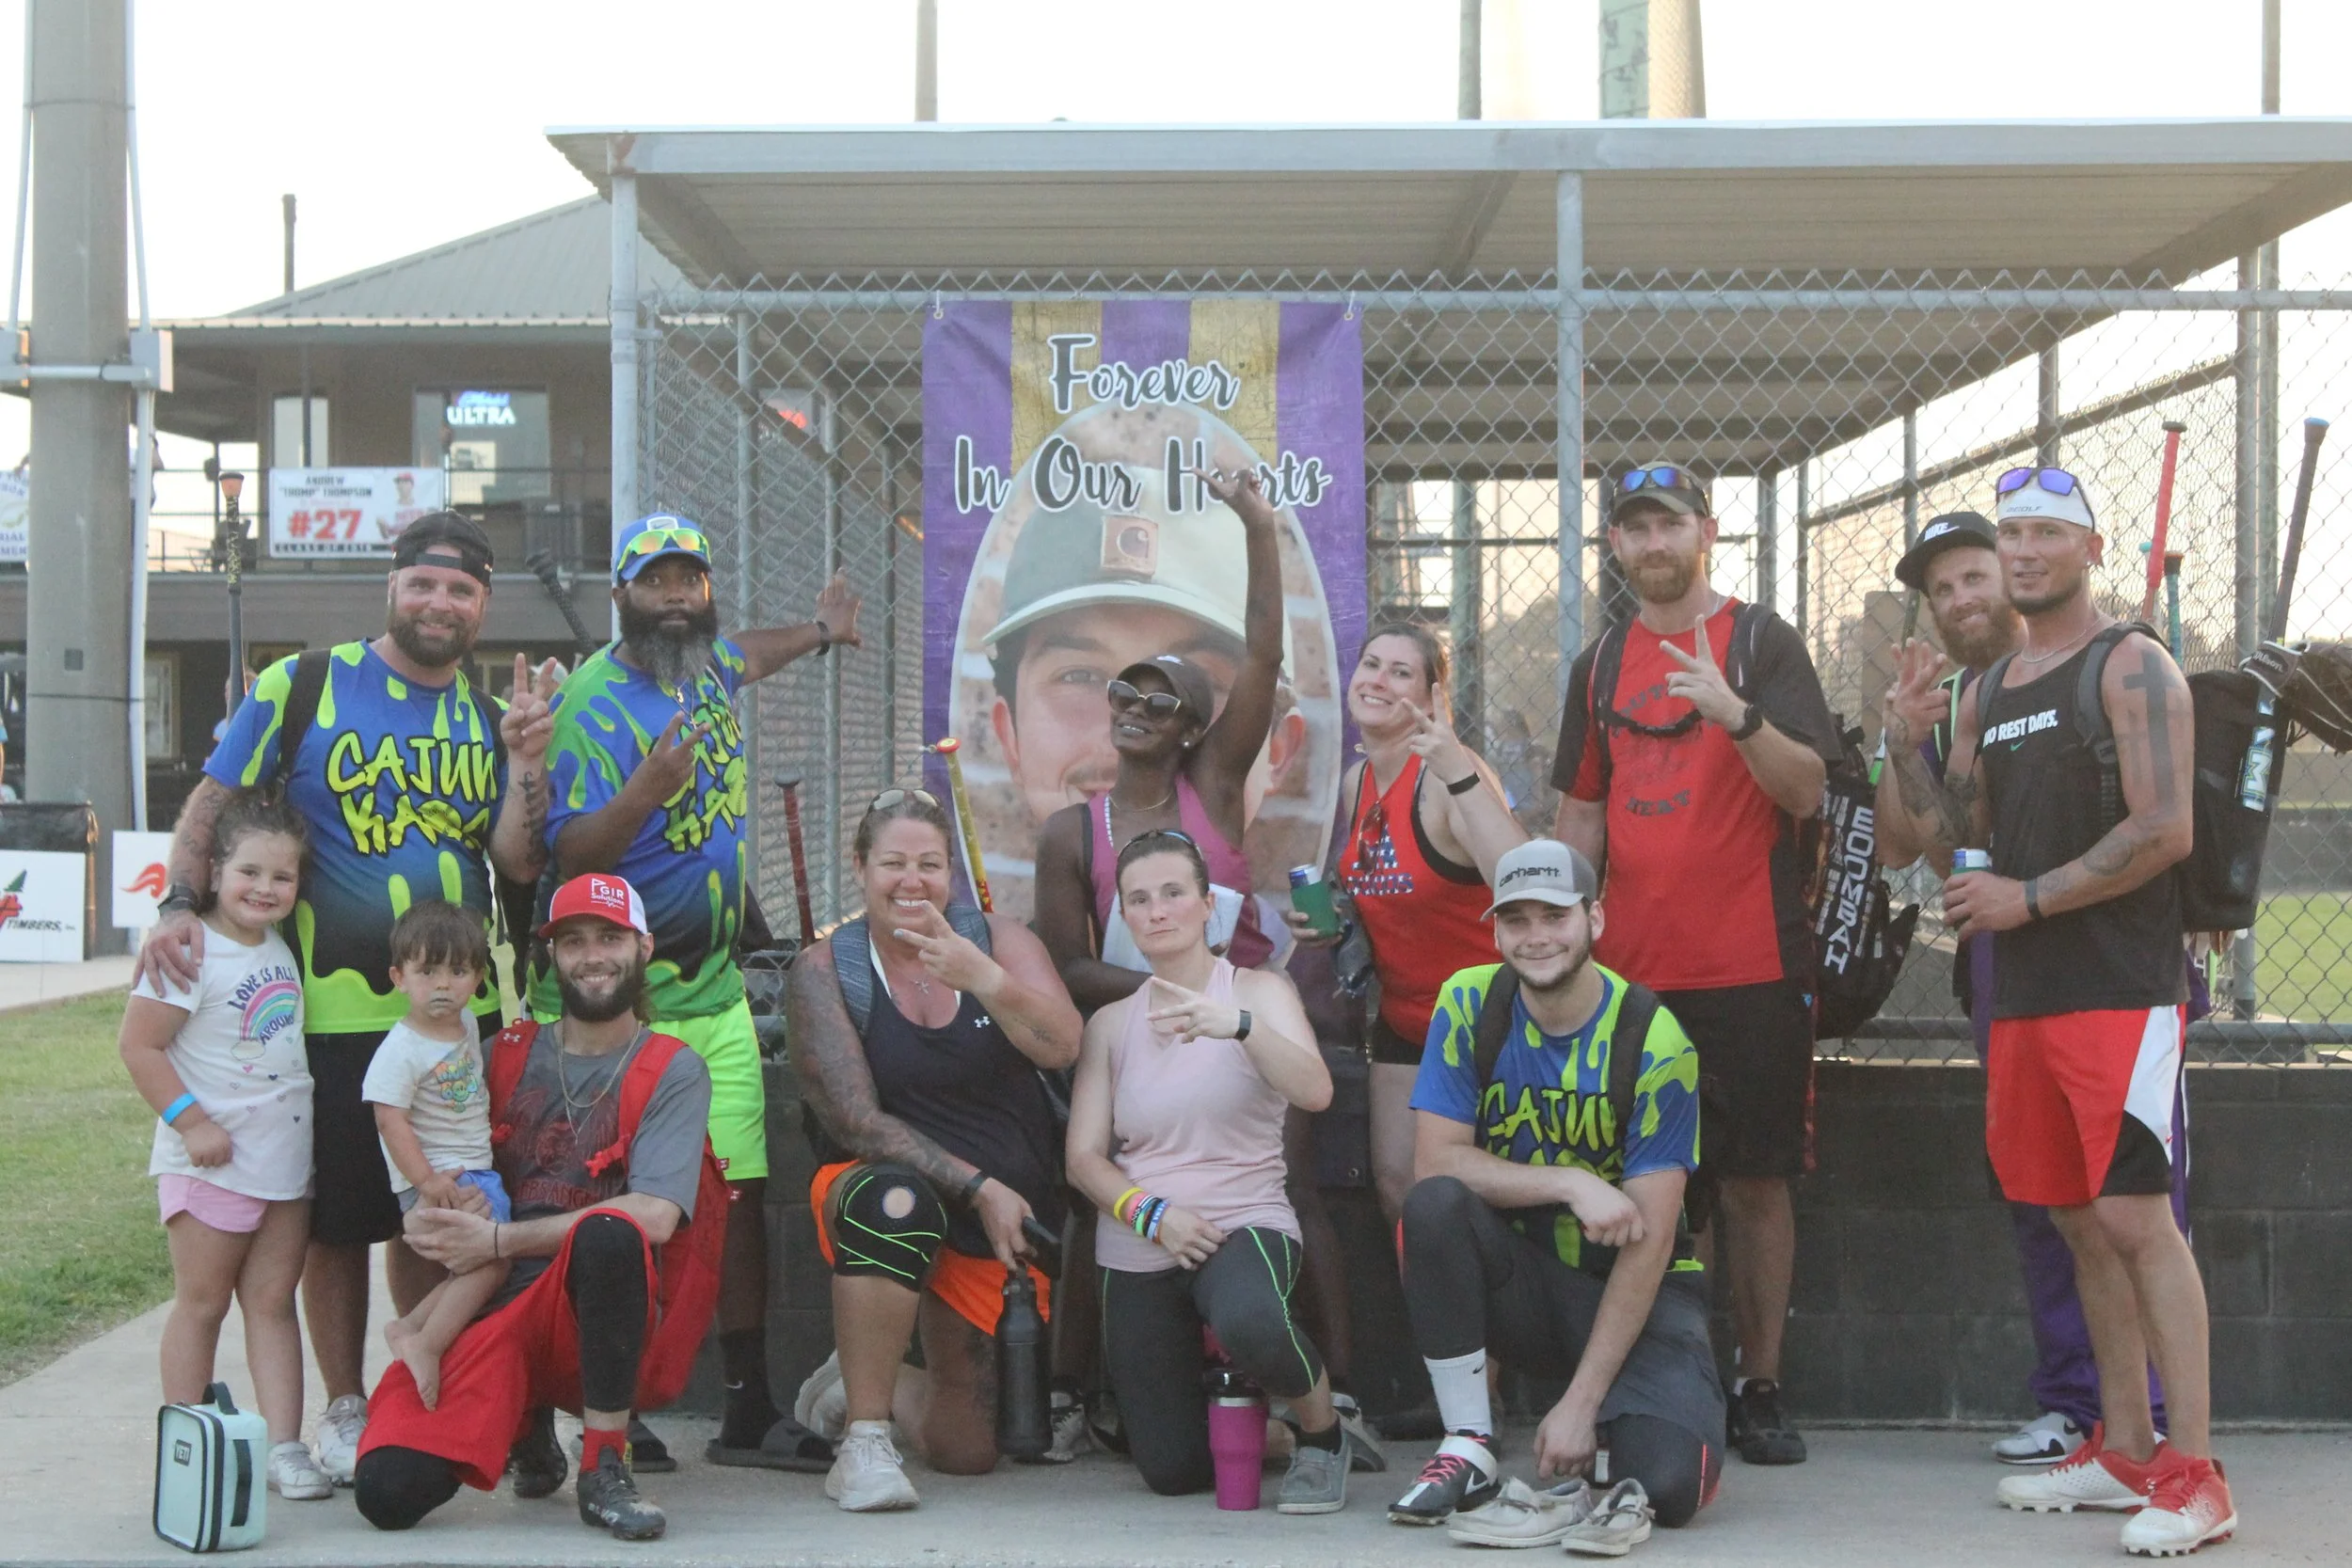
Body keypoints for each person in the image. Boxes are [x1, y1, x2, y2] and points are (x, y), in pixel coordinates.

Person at [135, 511, 559, 1481]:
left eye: (460, 590)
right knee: (338, 1222)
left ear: (483, 606)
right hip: (332, 1015)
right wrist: (177, 901)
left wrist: (526, 761)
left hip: (454, 1014)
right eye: (423, 583)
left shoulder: (487, 718)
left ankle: (427, 1392)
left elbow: (515, 859)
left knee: (439, 1206)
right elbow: (212, 798)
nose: (439, 603)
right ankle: (340, 1403)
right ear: (392, 586)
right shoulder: (305, 683)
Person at [1879, 471, 2233, 1556]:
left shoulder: (2131, 662)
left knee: (2137, 1221)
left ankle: (2196, 1471)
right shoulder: (1988, 690)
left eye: (2046, 532)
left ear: (2090, 542)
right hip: (2022, 993)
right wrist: (1903, 738)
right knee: (2076, 1219)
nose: (2024, 550)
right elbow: (1956, 849)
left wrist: (2024, 899)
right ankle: (2121, 1444)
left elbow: (2165, 826)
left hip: (2118, 990)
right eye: (2013, 531)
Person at [534, 512, 861, 1471]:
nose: (676, 596)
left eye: (691, 581)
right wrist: (645, 788)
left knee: (744, 1197)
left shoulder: (703, 668)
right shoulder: (595, 703)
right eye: (656, 581)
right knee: (632, 1209)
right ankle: (616, 1403)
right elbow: (568, 854)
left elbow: (746, 657)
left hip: (715, 993)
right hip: (627, 1012)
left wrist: (818, 632)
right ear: (621, 596)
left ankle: (747, 1404)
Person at [1550, 463, 1837, 1466]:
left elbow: (1807, 791)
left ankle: (1760, 1383)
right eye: (1634, 527)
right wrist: (1565, 932)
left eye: (1668, 521)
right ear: (1618, 547)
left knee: (1756, 1179)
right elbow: (1580, 810)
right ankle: (1681, 1376)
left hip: (1751, 968)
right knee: (1652, 1181)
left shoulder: (1761, 642)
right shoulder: (1597, 663)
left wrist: (1735, 711)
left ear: (1705, 531)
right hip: (1630, 979)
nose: (1652, 541)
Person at [353, 872, 721, 1542]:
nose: (593, 955)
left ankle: (605, 1460)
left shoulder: (673, 1067)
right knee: (386, 1490)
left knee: (611, 1229)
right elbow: (415, 1140)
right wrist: (427, 1213)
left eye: (610, 937)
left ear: (644, 945)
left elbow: (659, 1217)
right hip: (496, 1311)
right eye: (573, 940)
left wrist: (494, 1244)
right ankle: (526, 1427)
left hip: (594, 1311)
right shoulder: (496, 1053)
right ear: (552, 955)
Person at [1388, 840, 1723, 1530]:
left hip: (1640, 1290)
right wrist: (1569, 1182)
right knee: (1433, 1207)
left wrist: (1579, 1400)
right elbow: (1436, 1162)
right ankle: (1469, 1442)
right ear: (1496, 929)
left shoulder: (1656, 1041)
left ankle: (1603, 1423)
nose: (1536, 937)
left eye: (1555, 915)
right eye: (1516, 919)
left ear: (1595, 918)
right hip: (1533, 1281)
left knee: (1667, 1487)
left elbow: (1652, 1238)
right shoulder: (1470, 1001)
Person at [785, 788, 1083, 1511]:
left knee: (968, 1449)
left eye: (929, 863)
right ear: (860, 867)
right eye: (893, 862)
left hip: (1005, 1222)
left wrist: (984, 977)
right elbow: (858, 1121)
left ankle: (853, 1377)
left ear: (951, 871)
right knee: (896, 1199)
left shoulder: (999, 940)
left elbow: (1063, 1041)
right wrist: (977, 1185)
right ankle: (862, 1435)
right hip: (895, 1192)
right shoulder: (826, 971)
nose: (911, 880)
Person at [1064, 828, 1346, 1509]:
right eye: (1139, 899)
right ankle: (1256, 1428)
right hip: (1145, 1235)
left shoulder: (1257, 988)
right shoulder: (1110, 1023)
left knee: (1250, 1318)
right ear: (1125, 918)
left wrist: (1240, 1026)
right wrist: (1153, 1215)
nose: (1158, 909)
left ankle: (1322, 1431)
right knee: (1172, 1470)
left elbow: (1315, 1090)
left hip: (1244, 1217)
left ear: (1206, 906)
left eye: (1173, 892)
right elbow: (1082, 1159)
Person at [119, 790, 335, 1502]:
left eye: (282, 876)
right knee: (202, 1304)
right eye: (249, 872)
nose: (265, 888)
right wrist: (191, 1123)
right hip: (210, 1166)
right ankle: (184, 1444)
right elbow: (139, 1045)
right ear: (212, 870)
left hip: (283, 1167)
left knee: (273, 1304)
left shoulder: (280, 944)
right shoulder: (184, 950)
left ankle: (284, 1445)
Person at [1293, 624, 1526, 1223]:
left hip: (1487, 1025)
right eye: (1371, 664)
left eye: (1401, 672)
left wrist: (1459, 769)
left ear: (1430, 698)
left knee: (1476, 1196)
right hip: (1405, 1019)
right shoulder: (1358, 781)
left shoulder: (1451, 774)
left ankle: (1492, 1313)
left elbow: (1519, 878)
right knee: (1397, 1183)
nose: (1377, 680)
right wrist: (1333, 924)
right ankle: (1430, 1315)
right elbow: (1385, 887)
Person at [364, 899, 513, 1411]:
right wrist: (425, 1181)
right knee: (494, 1258)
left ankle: (409, 1327)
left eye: (459, 971)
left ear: (478, 979)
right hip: (444, 1178)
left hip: (473, 1171)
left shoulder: (466, 1025)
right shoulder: (401, 1049)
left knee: (472, 1269)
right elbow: (389, 1119)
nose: (444, 985)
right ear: (398, 977)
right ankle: (425, 1344)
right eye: (428, 971)